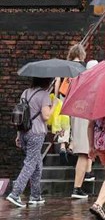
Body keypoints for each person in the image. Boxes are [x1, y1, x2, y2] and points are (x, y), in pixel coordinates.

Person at [6, 77, 54, 208]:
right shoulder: (44, 95)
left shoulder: (25, 92)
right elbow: (46, 116)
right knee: (30, 164)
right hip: (36, 133)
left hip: (23, 132)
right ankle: (15, 194)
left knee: (37, 164)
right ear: (46, 82)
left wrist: (18, 135)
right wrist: (54, 105)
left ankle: (35, 195)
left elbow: (20, 115)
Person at [60, 44, 95, 200]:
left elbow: (63, 93)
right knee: (83, 153)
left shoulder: (68, 71)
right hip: (83, 112)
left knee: (84, 152)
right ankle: (77, 188)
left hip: (74, 111)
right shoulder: (83, 71)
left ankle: (81, 183)